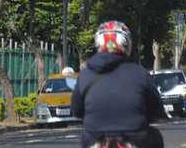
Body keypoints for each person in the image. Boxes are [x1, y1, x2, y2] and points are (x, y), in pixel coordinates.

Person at [71, 20, 168, 148]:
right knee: (155, 136)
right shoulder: (139, 74)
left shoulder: (84, 75)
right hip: (135, 137)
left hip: (94, 138)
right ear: (126, 44)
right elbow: (156, 108)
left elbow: (77, 111)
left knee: (84, 139)